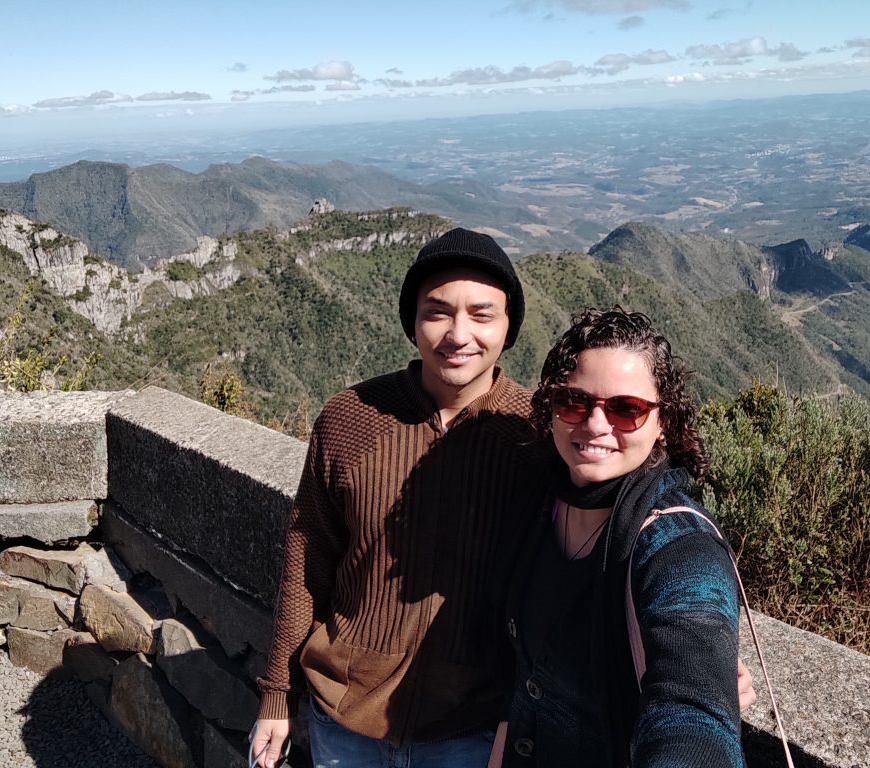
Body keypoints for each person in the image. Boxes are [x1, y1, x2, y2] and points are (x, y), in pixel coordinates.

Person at [250, 227, 540, 768]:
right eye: (438, 312)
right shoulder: (349, 419)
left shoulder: (533, 438)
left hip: (472, 730)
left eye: (482, 315)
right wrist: (277, 695)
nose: (459, 334)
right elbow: (305, 563)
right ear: (412, 322)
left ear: (508, 327)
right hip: (344, 720)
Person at [492, 307, 746, 767]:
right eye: (574, 401)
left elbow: (694, 706)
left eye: (626, 409)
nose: (594, 425)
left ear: (663, 420)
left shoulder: (678, 546)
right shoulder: (542, 503)